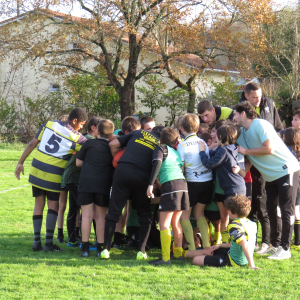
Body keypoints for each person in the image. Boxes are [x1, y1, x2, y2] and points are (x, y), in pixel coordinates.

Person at [14, 108, 88, 252]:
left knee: (38, 205)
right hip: (53, 173)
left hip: (36, 169)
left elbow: (32, 143)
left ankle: (36, 243)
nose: (81, 127)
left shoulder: (49, 124)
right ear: (74, 121)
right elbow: (90, 146)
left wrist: (20, 162)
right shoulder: (77, 138)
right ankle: (48, 243)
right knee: (53, 207)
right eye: (81, 124)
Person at [234, 101, 300, 259]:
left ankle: (285, 249)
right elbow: (249, 156)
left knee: (286, 210)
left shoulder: (260, 125)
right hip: (271, 176)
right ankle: (275, 245)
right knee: (271, 209)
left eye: (235, 114)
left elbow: (268, 148)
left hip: (286, 170)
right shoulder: (242, 133)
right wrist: (243, 171)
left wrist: (246, 151)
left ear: (243, 113)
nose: (233, 117)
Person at [100, 123, 160, 260]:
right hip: (143, 176)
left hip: (123, 171)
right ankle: (141, 251)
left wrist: (116, 161)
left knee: (114, 211)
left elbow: (113, 144)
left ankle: (106, 249)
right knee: (145, 214)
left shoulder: (138, 132)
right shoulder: (160, 143)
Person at [239, 81, 283, 254]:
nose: (259, 100)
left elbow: (278, 128)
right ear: (246, 95)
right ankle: (255, 241)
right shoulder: (240, 110)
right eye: (255, 97)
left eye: (260, 96)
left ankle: (269, 241)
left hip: (268, 162)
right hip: (251, 161)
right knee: (254, 202)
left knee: (266, 203)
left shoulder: (269, 104)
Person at [147, 127, 189, 265]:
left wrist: (150, 184)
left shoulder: (161, 149)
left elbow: (157, 163)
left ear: (161, 139)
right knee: (176, 223)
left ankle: (165, 258)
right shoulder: (176, 152)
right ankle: (178, 254)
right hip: (183, 186)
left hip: (170, 186)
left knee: (164, 223)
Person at [184, 195, 259, 269]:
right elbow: (238, 244)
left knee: (196, 260)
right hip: (240, 257)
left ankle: (182, 254)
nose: (227, 212)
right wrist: (220, 245)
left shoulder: (234, 225)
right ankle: (184, 253)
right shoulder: (252, 224)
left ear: (235, 213)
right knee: (211, 250)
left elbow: (244, 244)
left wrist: (252, 266)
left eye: (228, 210)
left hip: (233, 261)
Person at [76, 119, 115, 257]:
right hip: (103, 184)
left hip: (86, 182)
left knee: (86, 216)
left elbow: (78, 163)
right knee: (100, 217)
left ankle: (85, 249)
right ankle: (100, 248)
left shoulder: (89, 143)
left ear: (97, 131)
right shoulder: (112, 146)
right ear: (111, 134)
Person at [177, 113, 213, 250]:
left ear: (181, 128)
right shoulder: (202, 142)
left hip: (192, 182)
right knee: (200, 214)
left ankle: (191, 248)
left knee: (185, 216)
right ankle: (206, 245)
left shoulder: (183, 145)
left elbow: (181, 167)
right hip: (207, 181)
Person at [64, 117, 101, 249]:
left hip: (72, 178)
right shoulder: (89, 140)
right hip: (74, 178)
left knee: (75, 209)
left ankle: (73, 240)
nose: (101, 131)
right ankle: (83, 241)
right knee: (86, 210)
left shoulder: (85, 138)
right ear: (93, 127)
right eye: (99, 128)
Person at [283, 127, 300, 247]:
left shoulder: (287, 151)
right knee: (297, 210)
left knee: (293, 210)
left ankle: (295, 240)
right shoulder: (298, 150)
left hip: (294, 181)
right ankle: (298, 240)